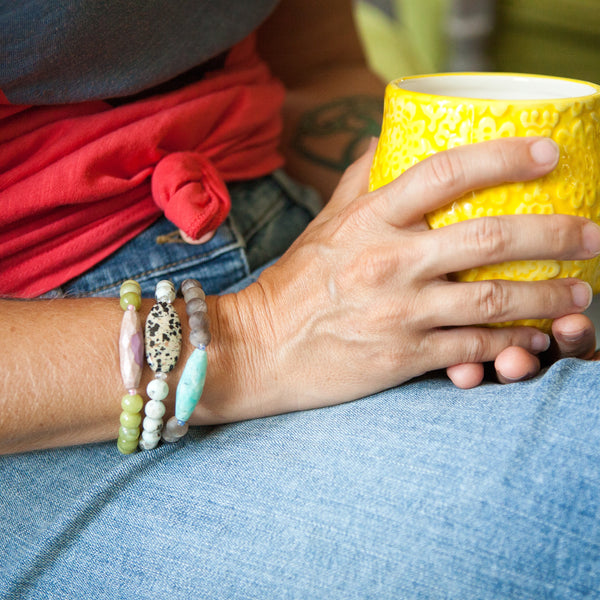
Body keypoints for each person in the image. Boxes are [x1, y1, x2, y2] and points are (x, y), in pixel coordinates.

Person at [0, 1, 599, 597]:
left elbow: (317, 69)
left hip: (295, 239)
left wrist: (451, 288)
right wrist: (258, 333)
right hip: (61, 389)